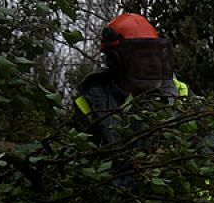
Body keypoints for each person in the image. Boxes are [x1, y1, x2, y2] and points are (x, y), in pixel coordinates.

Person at [74, 12, 189, 146]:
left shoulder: (180, 96)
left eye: (156, 55)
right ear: (116, 61)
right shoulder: (91, 104)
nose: (155, 63)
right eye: (144, 56)